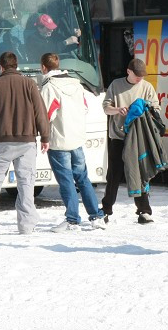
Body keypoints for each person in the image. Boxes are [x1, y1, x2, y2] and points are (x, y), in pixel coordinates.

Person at [0, 51, 50, 235]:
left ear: (1, 67)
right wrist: (45, 137)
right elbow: (40, 112)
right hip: (26, 141)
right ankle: (26, 226)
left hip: (1, 142)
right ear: (16, 66)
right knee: (26, 184)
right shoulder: (29, 84)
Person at [38, 52, 107, 232]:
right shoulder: (76, 83)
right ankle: (96, 216)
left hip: (59, 140)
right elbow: (84, 108)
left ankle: (72, 219)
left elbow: (46, 115)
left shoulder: (49, 87)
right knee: (83, 178)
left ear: (43, 67)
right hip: (77, 138)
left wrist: (43, 137)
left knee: (66, 180)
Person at [101, 58, 161, 224]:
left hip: (139, 138)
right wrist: (117, 110)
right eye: (137, 76)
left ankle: (144, 211)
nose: (139, 79)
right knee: (114, 174)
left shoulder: (147, 87)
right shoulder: (116, 85)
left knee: (140, 174)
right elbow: (106, 107)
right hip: (119, 137)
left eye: (142, 76)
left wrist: (145, 108)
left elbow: (156, 108)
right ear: (128, 71)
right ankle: (106, 210)